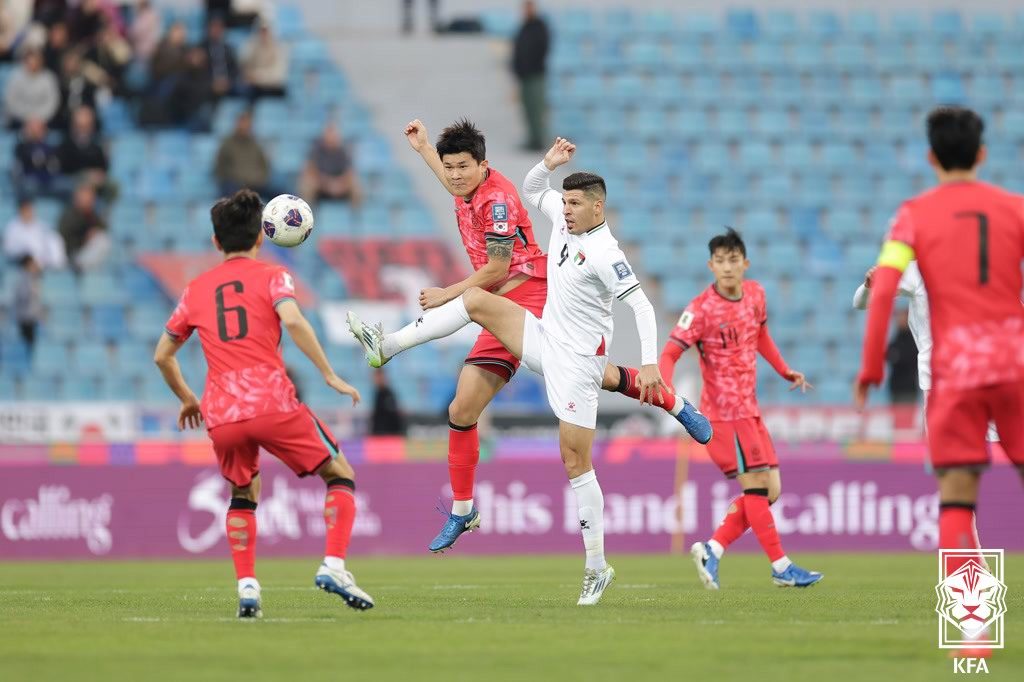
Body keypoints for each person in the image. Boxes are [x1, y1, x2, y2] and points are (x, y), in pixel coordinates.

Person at [348, 138, 711, 605]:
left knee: (575, 461)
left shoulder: (606, 254)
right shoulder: (562, 217)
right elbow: (533, 185)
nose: (565, 209)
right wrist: (549, 163)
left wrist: (649, 363)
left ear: (598, 208)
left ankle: (597, 567)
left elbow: (640, 305)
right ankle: (388, 344)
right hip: (544, 336)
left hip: (576, 360)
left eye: (576, 203)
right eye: (565, 201)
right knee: (477, 304)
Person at [153, 189, 374, 618]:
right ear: (261, 237)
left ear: (216, 243)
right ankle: (334, 565)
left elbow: (162, 355)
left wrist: (187, 399)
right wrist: (329, 374)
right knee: (340, 473)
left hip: (221, 411)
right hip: (271, 400)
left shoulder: (195, 290)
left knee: (243, 490)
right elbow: (292, 319)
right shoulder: (275, 275)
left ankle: (248, 589)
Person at [856, 107, 1024, 580]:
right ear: (983, 154)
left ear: (931, 157)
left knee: (956, 497)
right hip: (1013, 369)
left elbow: (885, 289)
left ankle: (972, 638)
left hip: (953, 377)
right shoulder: (1015, 208)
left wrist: (871, 369)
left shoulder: (912, 216)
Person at [659, 228, 822, 590]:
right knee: (757, 487)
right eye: (721, 261)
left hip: (750, 410)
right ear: (711, 266)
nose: (728, 267)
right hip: (721, 416)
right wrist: (668, 392)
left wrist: (784, 370)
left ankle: (712, 549)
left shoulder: (756, 295)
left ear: (745, 263)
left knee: (771, 491)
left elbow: (760, 335)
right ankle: (781, 567)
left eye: (734, 260)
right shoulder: (700, 309)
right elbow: (670, 353)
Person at [853, 262, 999, 438]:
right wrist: (870, 286)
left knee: (998, 455)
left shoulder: (986, 268)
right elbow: (860, 302)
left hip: (986, 379)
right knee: (947, 456)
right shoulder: (919, 270)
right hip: (939, 383)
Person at [511, 1, 549, 152]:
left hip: (535, 74)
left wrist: (531, 65)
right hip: (524, 76)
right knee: (527, 108)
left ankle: (538, 140)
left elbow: (542, 48)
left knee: (536, 108)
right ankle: (532, 139)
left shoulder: (539, 26)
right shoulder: (523, 27)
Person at [297, 122, 362, 205]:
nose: (332, 138)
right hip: (321, 184)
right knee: (307, 185)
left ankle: (355, 216)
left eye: (334, 135)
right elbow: (311, 171)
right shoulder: (316, 150)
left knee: (356, 186)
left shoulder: (343, 152)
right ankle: (308, 214)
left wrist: (339, 184)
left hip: (339, 185)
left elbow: (349, 173)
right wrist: (328, 184)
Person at [213, 109, 271, 196]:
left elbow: (264, 166)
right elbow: (219, 167)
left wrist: (260, 180)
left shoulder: (255, 144)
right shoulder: (227, 144)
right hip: (235, 185)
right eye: (243, 122)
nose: (245, 126)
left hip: (255, 185)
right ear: (237, 123)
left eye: (248, 123)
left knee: (279, 196)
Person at [3, 196, 67, 269]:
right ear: (20, 210)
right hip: (20, 266)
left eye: (30, 209)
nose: (28, 212)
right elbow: (10, 250)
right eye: (25, 210)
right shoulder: (12, 228)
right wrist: (28, 258)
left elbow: (54, 243)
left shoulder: (43, 226)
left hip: (43, 266)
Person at [3, 48, 60, 129]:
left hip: (43, 121)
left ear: (41, 62)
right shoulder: (15, 76)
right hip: (19, 120)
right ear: (25, 62)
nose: (33, 64)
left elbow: (53, 103)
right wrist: (27, 118)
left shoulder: (49, 77)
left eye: (36, 61)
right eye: (30, 61)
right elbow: (10, 101)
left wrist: (38, 118)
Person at [11, 118, 67, 199]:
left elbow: (54, 165)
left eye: (38, 129)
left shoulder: (51, 147)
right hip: (30, 181)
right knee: (28, 186)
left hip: (49, 181)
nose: (35, 132)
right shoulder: (21, 147)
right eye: (32, 129)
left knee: (65, 185)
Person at [58, 182, 109, 270]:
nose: (90, 199)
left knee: (103, 239)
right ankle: (81, 269)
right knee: (102, 241)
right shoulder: (69, 214)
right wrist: (84, 238)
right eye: (86, 195)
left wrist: (93, 232)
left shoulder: (92, 214)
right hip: (72, 253)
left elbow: (103, 228)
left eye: (92, 196)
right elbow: (64, 238)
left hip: (87, 252)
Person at [240, 21, 288, 99]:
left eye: (265, 31)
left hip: (272, 89)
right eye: (260, 31)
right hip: (254, 89)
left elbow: (278, 76)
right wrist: (252, 44)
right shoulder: (252, 46)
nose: (263, 34)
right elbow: (243, 64)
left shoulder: (278, 49)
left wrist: (256, 77)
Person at [202, 16, 238, 100]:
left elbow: (235, 69)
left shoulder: (228, 48)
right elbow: (199, 72)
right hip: (209, 86)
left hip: (228, 84)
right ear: (208, 29)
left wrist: (228, 82)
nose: (216, 30)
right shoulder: (201, 48)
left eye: (219, 27)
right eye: (214, 27)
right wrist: (213, 83)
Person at [13, 254, 42, 349]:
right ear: (28, 264)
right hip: (26, 318)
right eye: (33, 263)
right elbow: (23, 296)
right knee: (28, 345)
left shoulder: (30, 278)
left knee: (31, 345)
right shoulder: (24, 279)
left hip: (30, 317)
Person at [370, 370, 407, 436]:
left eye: (378, 377)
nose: (376, 380)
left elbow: (393, 415)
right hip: (379, 433)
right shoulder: (377, 393)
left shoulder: (388, 394)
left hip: (388, 434)